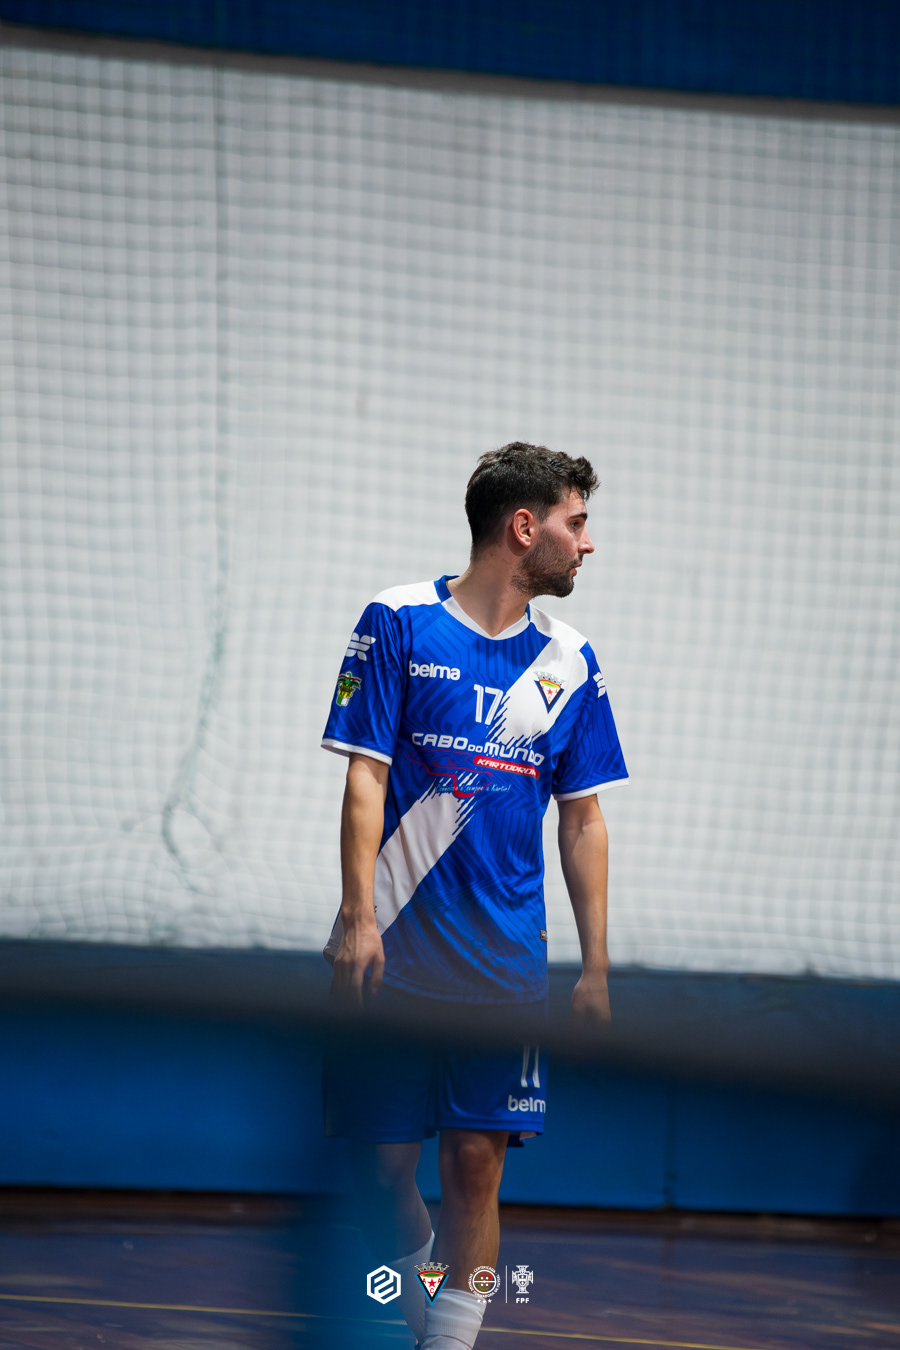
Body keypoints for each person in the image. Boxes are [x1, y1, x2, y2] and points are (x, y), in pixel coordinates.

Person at [320, 442, 628, 1349]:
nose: (588, 543)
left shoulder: (569, 663)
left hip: (503, 971)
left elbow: (583, 820)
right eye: (577, 523)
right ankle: (430, 1310)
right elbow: (366, 777)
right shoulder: (399, 621)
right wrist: (357, 917)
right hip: (390, 957)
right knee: (378, 1171)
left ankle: (448, 1343)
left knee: (475, 1171)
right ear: (523, 527)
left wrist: (595, 966)